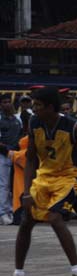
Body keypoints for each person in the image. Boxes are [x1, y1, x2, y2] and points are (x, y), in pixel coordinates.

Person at [0, 87, 77, 276]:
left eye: (38, 105)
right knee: (27, 219)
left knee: (55, 217)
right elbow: (30, 159)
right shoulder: (35, 123)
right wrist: (27, 191)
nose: (33, 109)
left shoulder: (75, 126)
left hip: (70, 175)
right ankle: (18, 275)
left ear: (50, 107)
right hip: (45, 175)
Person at [0, 93, 23, 225]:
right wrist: (6, 150)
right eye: (4, 102)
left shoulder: (17, 119)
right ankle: (3, 213)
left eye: (9, 101)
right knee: (3, 185)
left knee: (12, 184)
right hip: (2, 155)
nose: (7, 104)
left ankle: (10, 210)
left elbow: (20, 137)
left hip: (15, 155)